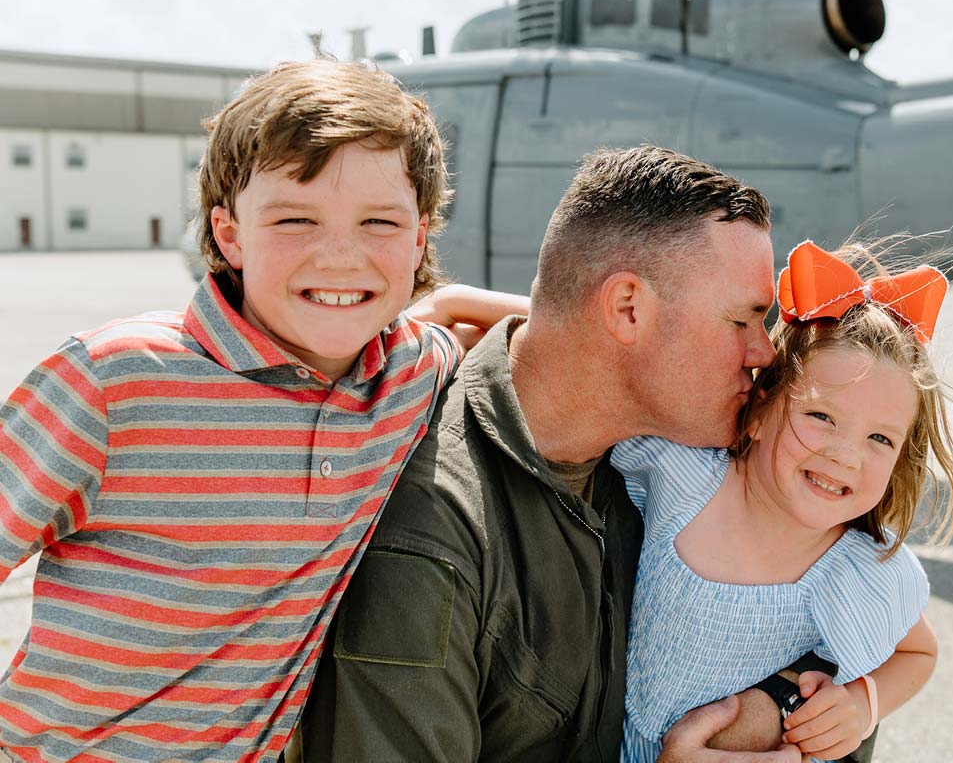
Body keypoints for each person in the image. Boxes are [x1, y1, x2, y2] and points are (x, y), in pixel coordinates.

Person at [0, 60, 524, 761]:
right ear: (229, 233)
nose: (340, 255)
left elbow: (518, 328)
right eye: (295, 219)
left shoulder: (412, 372)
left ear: (421, 235)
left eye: (379, 222)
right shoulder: (113, 381)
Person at [299, 145, 810, 762]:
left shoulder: (668, 457)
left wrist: (776, 703)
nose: (765, 352)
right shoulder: (433, 531)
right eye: (743, 321)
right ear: (628, 308)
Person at [613, 240, 953, 763]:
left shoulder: (860, 567)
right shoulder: (683, 476)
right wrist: (461, 305)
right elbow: (610, 359)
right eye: (821, 417)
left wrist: (861, 705)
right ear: (758, 409)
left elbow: (919, 651)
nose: (845, 455)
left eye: (880, 440)